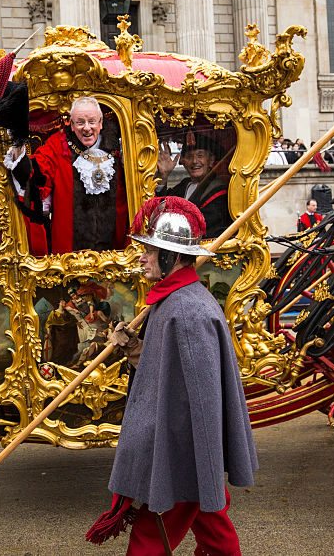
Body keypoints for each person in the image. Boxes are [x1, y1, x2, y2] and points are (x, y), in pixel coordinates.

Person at [86, 196, 257, 554]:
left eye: (150, 250)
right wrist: (136, 350)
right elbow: (170, 375)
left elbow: (198, 397)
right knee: (213, 526)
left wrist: (186, 456)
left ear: (172, 256)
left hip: (184, 450)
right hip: (188, 449)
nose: (142, 256)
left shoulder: (188, 311)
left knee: (151, 536)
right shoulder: (172, 301)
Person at [5, 96, 128, 254]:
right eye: (80, 122)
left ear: (101, 122)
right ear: (71, 123)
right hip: (68, 255)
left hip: (117, 253)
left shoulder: (122, 145)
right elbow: (34, 174)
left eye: (92, 121)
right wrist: (17, 146)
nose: (86, 128)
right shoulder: (57, 145)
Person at [155, 133, 230, 237]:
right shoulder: (185, 185)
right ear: (184, 162)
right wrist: (163, 175)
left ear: (211, 161)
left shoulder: (218, 191)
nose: (194, 161)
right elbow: (161, 206)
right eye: (190, 157)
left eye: (200, 156)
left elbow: (202, 226)